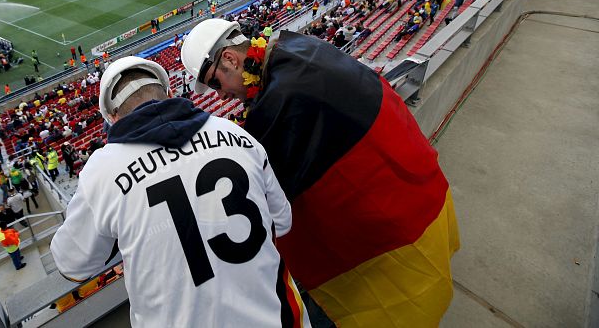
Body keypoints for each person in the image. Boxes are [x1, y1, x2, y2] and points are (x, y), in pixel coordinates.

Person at [181, 19, 459, 327]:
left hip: (379, 233)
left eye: (215, 83)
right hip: (407, 192)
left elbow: (271, 198)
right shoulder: (295, 45)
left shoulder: (279, 101)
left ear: (231, 59)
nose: (218, 96)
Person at [50, 57, 308, 327]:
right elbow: (283, 221)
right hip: (277, 317)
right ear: (169, 93)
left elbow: (71, 264)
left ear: (112, 119)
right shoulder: (235, 134)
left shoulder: (101, 172)